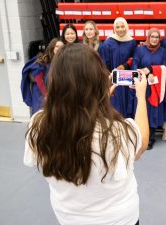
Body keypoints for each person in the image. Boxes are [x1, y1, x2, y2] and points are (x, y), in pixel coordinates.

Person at [24, 44, 149, 225]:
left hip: (69, 218)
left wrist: (101, 100)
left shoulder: (38, 124)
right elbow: (141, 144)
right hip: (119, 219)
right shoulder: (116, 131)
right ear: (99, 80)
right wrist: (141, 97)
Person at [131, 28, 166, 149]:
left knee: (152, 110)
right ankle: (139, 135)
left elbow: (165, 68)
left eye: (157, 37)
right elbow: (135, 64)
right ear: (148, 37)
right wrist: (141, 74)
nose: (154, 39)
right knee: (140, 108)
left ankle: (150, 137)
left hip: (154, 86)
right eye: (152, 36)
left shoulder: (163, 51)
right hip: (142, 84)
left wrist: (152, 70)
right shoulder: (140, 49)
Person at [101, 17, 137, 117]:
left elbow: (135, 58)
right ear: (114, 28)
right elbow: (104, 62)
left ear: (126, 27)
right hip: (113, 77)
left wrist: (125, 65)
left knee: (127, 101)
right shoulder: (108, 42)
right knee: (115, 104)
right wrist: (110, 75)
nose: (120, 29)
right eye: (117, 27)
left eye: (122, 26)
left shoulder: (132, 42)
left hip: (127, 77)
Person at [21, 38, 64, 115]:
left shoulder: (62, 60)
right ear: (52, 47)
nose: (59, 48)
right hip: (41, 93)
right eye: (57, 46)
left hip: (54, 93)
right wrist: (46, 95)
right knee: (40, 117)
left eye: (62, 47)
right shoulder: (44, 59)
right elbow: (38, 79)